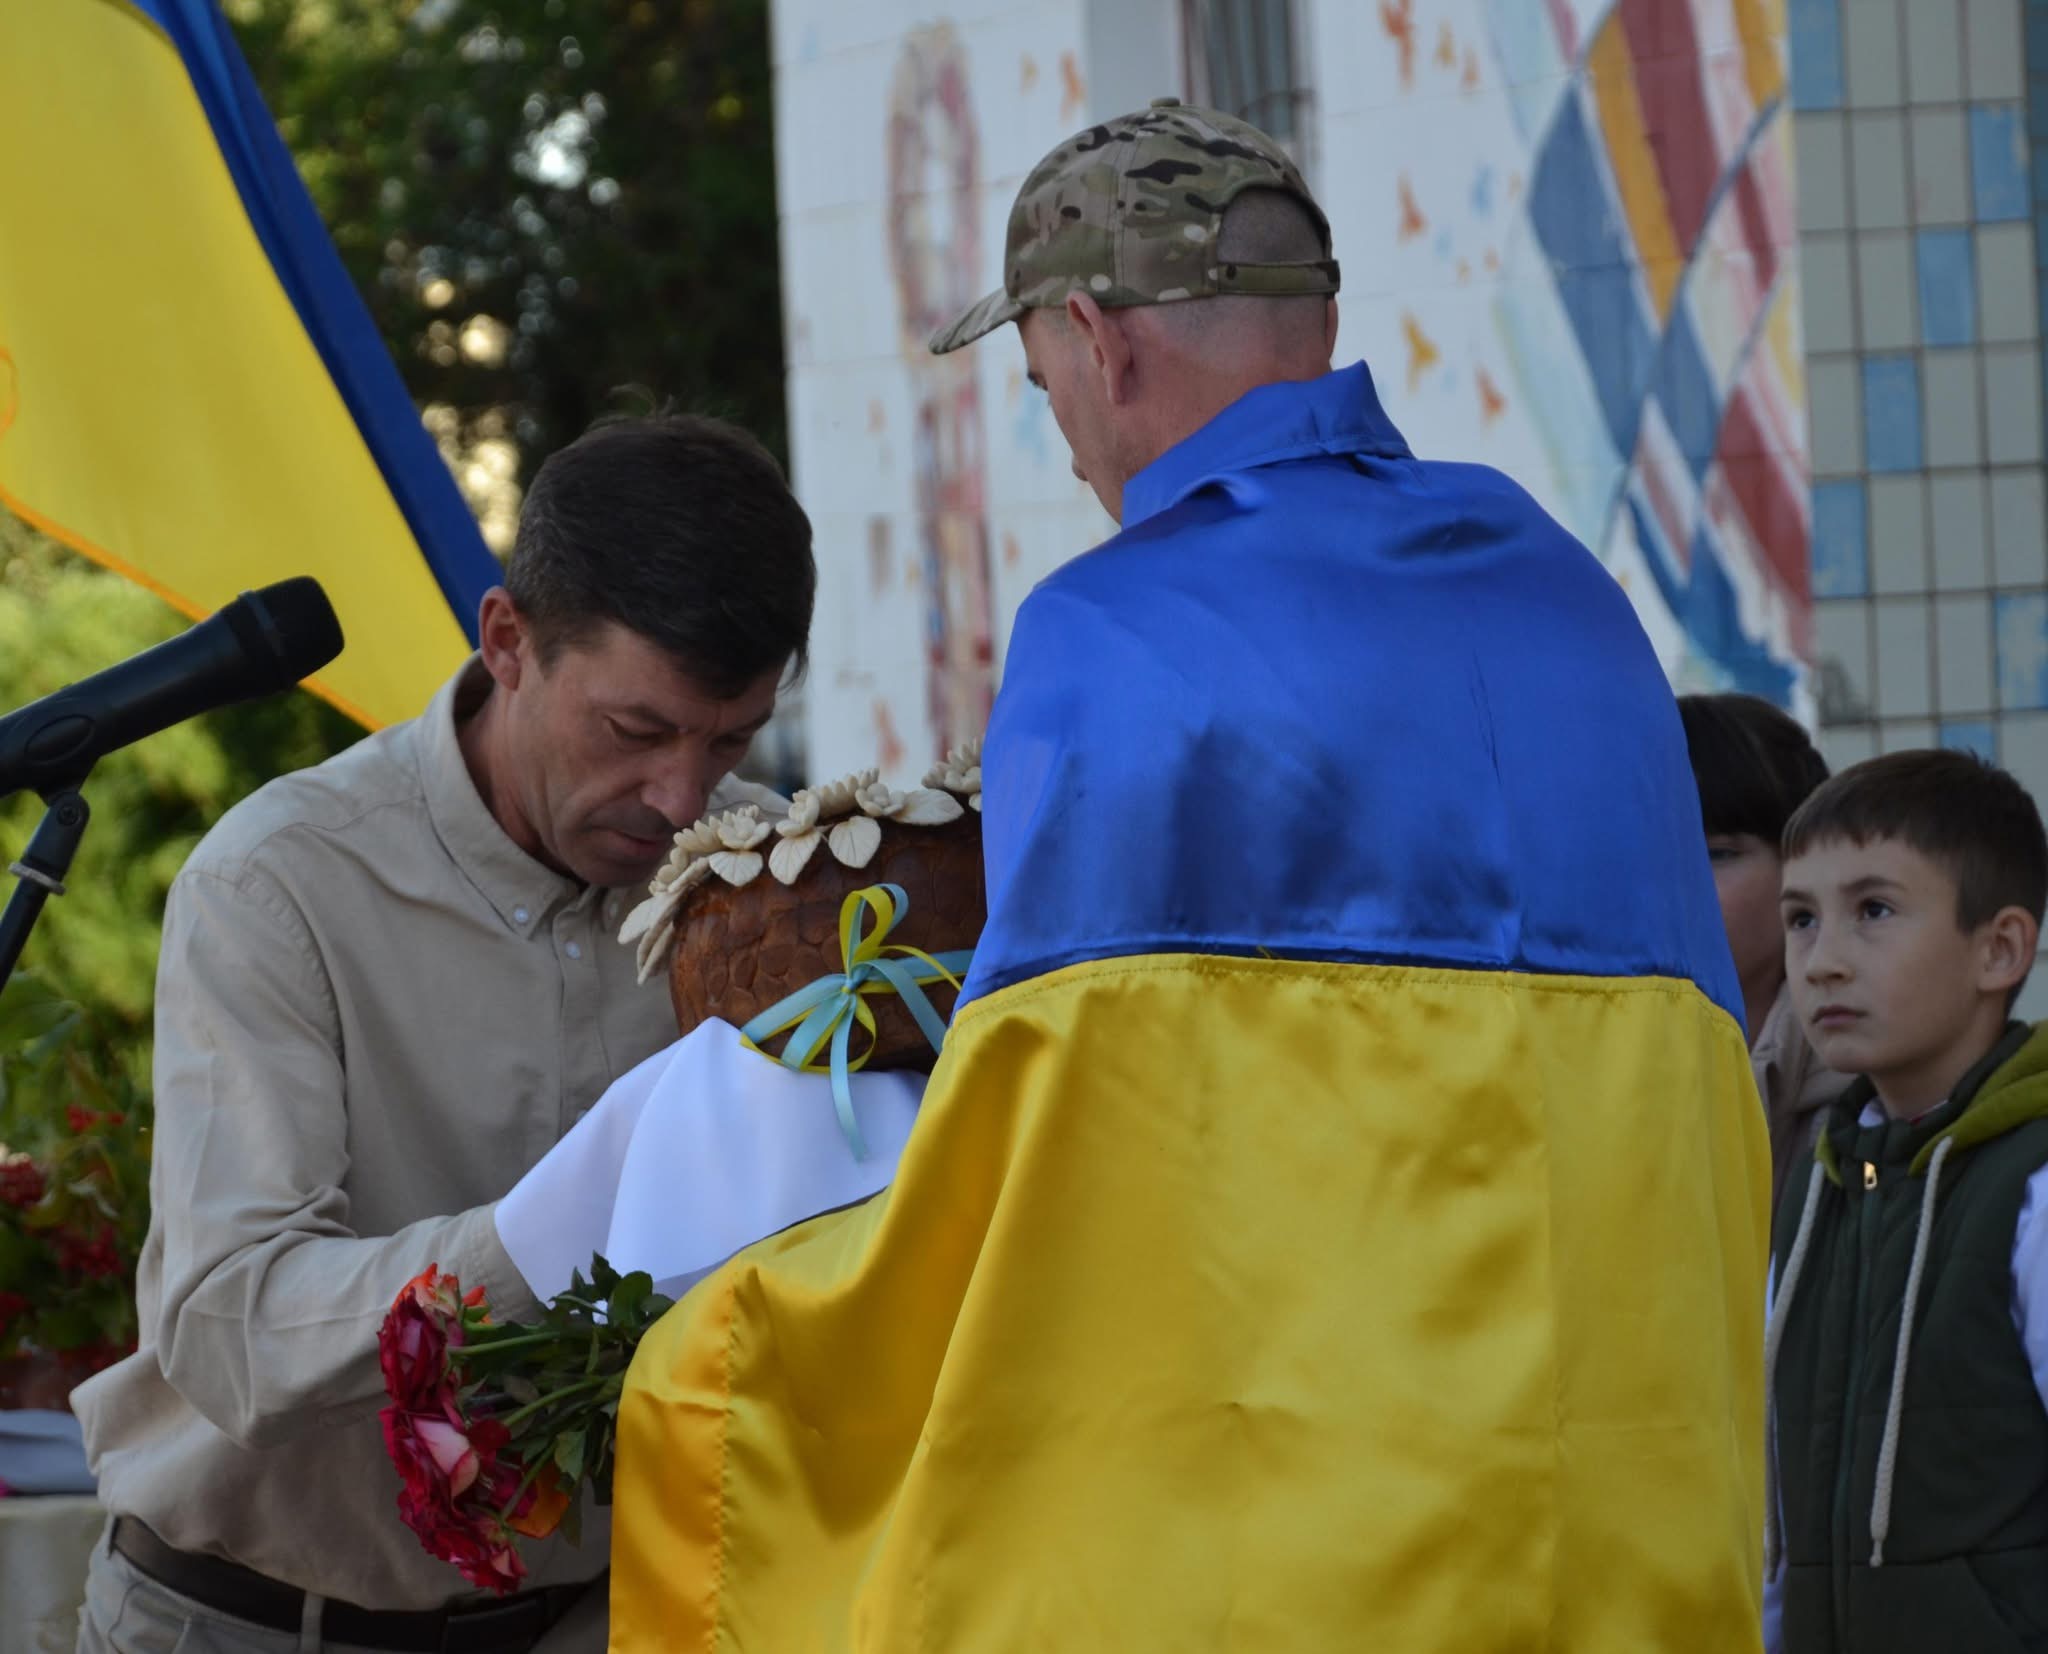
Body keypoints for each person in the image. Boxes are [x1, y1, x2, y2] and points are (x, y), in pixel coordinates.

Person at [605, 101, 1767, 1650]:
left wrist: (740, 1320)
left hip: (1298, 1552)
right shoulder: (1574, 598)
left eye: (1040, 389)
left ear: (1097, 340)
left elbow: (1058, 1168)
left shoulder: (1116, 632)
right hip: (1609, 1535)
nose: (1068, 445)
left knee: (706, 1393)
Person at [70, 414, 815, 1654]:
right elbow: (233, 1328)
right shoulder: (278, 881)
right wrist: (537, 1236)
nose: (683, 799)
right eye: (634, 732)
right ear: (507, 641)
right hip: (252, 1623)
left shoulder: (769, 876)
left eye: (728, 739)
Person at [1764, 750, 2048, 1652]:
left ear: (2000, 948)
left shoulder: (2034, 1181)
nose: (1824, 963)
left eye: (1874, 911)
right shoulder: (1822, 1180)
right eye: (1801, 919)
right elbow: (1781, 1531)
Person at [1679, 692, 1847, 1201]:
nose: (1672, 881)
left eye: (1716, 853)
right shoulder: (1570, 1075)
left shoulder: (1880, 1095)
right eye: (1645, 852)